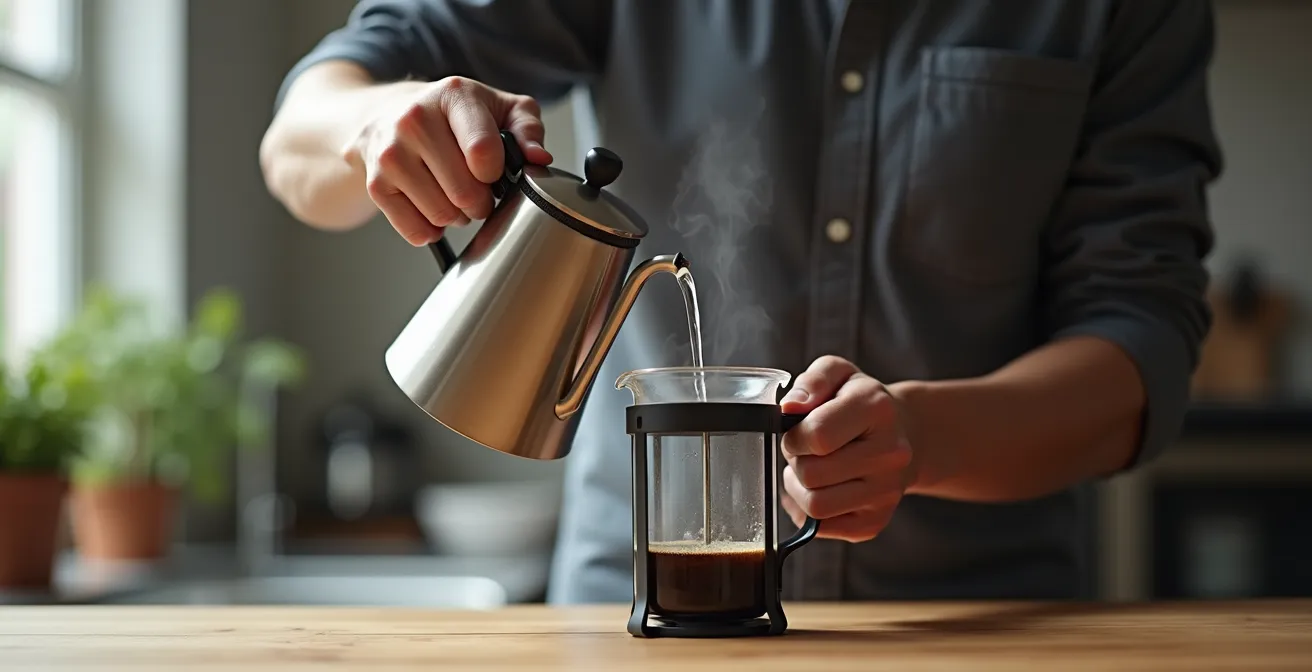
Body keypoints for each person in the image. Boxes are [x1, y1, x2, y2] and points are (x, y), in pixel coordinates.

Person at [261, 0, 1222, 602]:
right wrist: (374, 122)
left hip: (977, 621)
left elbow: (1142, 344)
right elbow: (295, 143)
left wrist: (925, 437)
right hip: (625, 612)